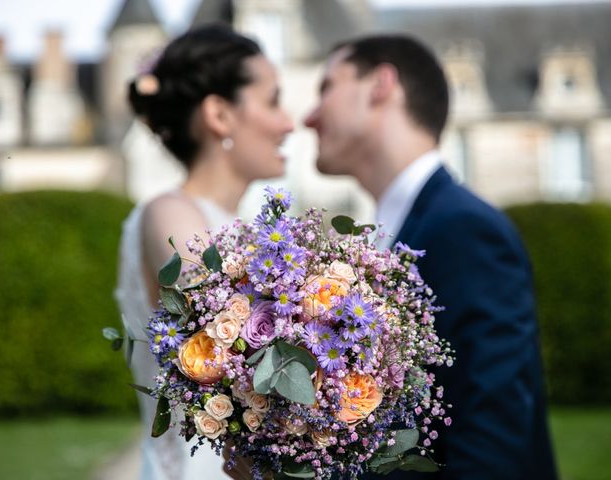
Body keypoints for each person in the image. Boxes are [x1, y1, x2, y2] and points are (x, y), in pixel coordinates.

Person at [303, 34, 557, 479]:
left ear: (380, 85)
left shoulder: (465, 231)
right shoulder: (388, 236)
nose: (309, 116)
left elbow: (490, 450)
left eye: (326, 87)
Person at [115, 24, 293, 480]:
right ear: (219, 114)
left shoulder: (255, 230)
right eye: (273, 100)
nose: (288, 123)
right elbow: (225, 341)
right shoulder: (168, 217)